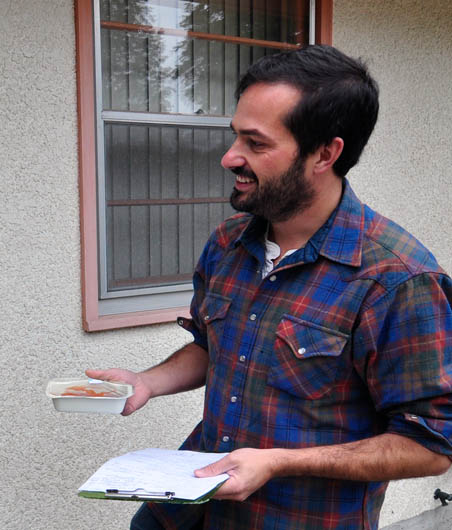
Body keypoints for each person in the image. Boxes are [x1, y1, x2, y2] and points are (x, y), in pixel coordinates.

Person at [89, 45, 452, 529]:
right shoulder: (228, 243)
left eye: (255, 144)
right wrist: (148, 383)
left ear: (325, 153)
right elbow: (211, 344)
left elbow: (430, 446)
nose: (229, 157)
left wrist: (279, 461)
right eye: (234, 135)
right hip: (184, 509)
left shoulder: (397, 279)